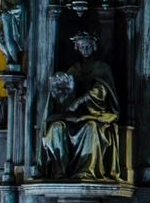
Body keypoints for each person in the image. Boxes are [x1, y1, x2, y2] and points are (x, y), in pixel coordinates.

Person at [40, 34, 123, 181]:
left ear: (94, 47)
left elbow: (101, 91)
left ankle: (86, 170)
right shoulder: (74, 69)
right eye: (81, 47)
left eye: (87, 46)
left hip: (95, 115)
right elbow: (66, 97)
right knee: (56, 128)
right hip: (74, 117)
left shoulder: (102, 68)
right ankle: (59, 171)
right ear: (77, 48)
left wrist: (80, 101)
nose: (85, 49)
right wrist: (60, 93)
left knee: (90, 128)